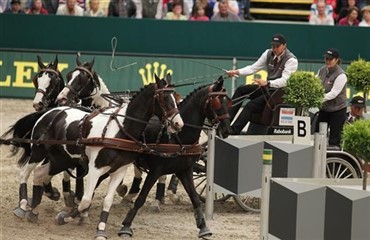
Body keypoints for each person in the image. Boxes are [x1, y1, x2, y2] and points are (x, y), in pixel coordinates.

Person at [226, 34, 298, 135]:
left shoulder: (291, 60)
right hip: (267, 87)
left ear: (284, 45)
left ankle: (234, 130)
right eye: (273, 46)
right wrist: (236, 72)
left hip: (278, 92)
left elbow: (285, 81)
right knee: (241, 90)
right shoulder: (268, 53)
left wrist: (268, 83)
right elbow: (253, 68)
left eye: (277, 46)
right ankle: (225, 123)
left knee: (250, 105)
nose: (274, 48)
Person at [315, 48, 347, 147]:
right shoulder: (321, 70)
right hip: (324, 109)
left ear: (337, 60)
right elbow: (315, 84)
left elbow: (334, 93)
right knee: (318, 135)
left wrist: (317, 98)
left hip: (337, 111)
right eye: (326, 58)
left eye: (330, 59)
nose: (327, 61)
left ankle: (334, 160)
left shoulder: (341, 75)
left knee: (334, 139)